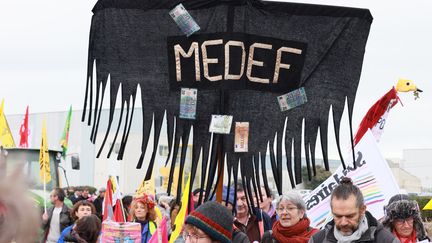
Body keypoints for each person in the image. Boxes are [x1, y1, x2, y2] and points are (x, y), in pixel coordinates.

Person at [309, 177, 399, 243]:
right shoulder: (317, 240)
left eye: (350, 216)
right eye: (338, 216)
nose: (343, 222)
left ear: (362, 209)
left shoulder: (386, 240)